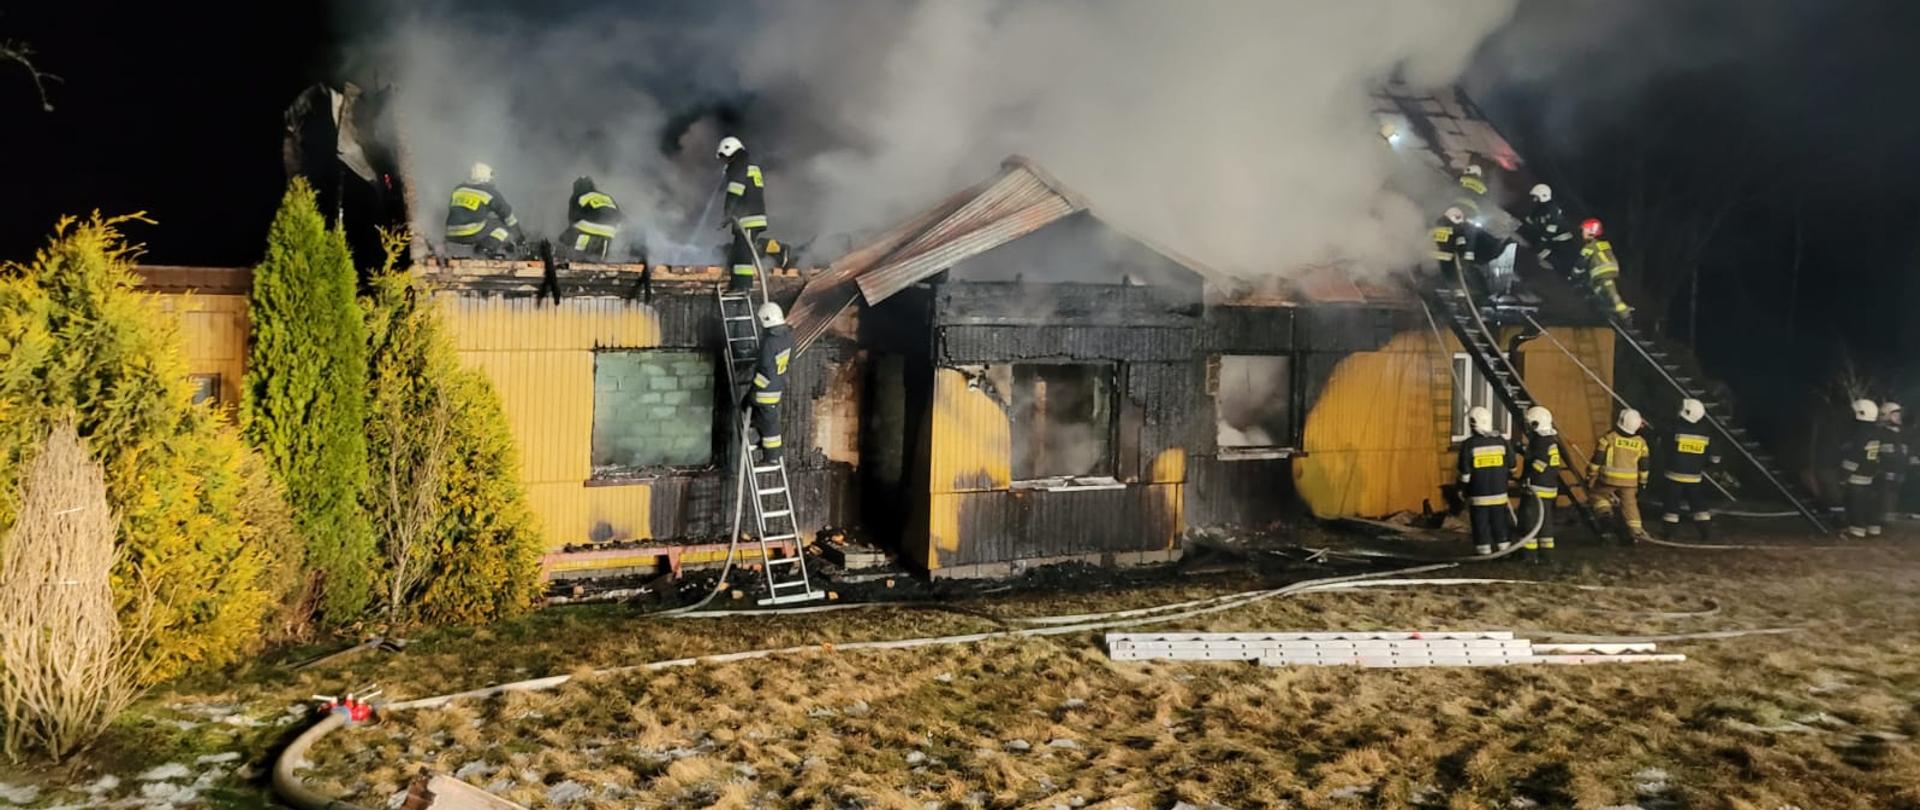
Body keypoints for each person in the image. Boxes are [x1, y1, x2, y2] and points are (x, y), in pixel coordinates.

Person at [1588, 408, 1652, 543]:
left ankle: (1606, 515)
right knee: (1630, 505)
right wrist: (1643, 482)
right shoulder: (1642, 443)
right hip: (1630, 482)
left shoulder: (1608, 438)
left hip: (1608, 479)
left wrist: (1591, 474)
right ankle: (1636, 532)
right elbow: (1644, 466)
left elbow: (1597, 459)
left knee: (1597, 495)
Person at [1458, 406, 1515, 556]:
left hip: (1478, 495)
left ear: (1472, 424)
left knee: (1480, 524)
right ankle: (1504, 549)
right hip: (1500, 493)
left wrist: (1461, 489)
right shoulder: (1502, 441)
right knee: (1500, 521)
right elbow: (1512, 465)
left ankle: (1484, 551)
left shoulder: (1469, 444)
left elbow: (1465, 472)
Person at [1660, 398, 1718, 541]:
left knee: (1671, 505)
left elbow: (1664, 448)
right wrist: (1703, 467)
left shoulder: (1674, 428)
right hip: (1695, 477)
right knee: (1698, 505)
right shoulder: (1705, 433)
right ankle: (1706, 532)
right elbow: (1715, 458)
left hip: (1673, 475)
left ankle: (1668, 533)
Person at [717, 136, 768, 292]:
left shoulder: (740, 166)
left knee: (743, 253)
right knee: (739, 251)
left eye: (725, 158)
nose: (725, 161)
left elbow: (735, 191)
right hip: (750, 217)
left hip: (748, 219)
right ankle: (738, 284)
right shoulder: (748, 164)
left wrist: (727, 214)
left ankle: (743, 286)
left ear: (730, 152)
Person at [444, 162, 522, 258]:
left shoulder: (458, 189)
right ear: (485, 178)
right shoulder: (489, 192)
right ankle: (485, 248)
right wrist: (519, 237)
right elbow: (507, 216)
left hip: (450, 234)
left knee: (485, 222)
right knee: (504, 225)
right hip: (470, 234)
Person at [748, 302, 793, 464]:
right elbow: (787, 359)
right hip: (777, 387)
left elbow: (765, 369)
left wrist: (755, 388)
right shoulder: (787, 337)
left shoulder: (769, 342)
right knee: (764, 419)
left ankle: (772, 456)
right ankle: (763, 444)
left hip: (765, 391)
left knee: (768, 423)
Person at [1518, 405, 1563, 563]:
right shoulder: (1550, 440)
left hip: (1537, 488)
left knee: (1530, 520)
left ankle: (1530, 556)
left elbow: (1539, 463)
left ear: (1536, 424)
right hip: (1549, 487)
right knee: (1545, 521)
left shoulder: (1540, 441)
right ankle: (1546, 554)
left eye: (1530, 423)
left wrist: (1527, 478)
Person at [1839, 399, 1884, 538]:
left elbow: (1855, 454)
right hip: (1870, 472)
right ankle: (1874, 527)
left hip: (1857, 473)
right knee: (1869, 501)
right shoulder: (1875, 431)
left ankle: (1856, 529)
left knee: (1855, 502)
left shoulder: (1860, 432)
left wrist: (1844, 474)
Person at [557, 176, 623, 261]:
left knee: (577, 236)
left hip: (590, 225)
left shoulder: (579, 195)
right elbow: (619, 214)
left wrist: (565, 236)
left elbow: (573, 217)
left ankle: (576, 256)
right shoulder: (606, 197)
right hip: (611, 228)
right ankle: (601, 259)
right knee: (603, 242)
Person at [1577, 218, 1632, 318]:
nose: (1582, 233)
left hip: (1601, 273)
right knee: (1604, 290)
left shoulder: (1588, 248)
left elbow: (1581, 263)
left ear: (1590, 231)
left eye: (1583, 230)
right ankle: (1608, 308)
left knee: (1612, 298)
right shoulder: (1605, 244)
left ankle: (1626, 319)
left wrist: (1574, 274)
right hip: (1613, 271)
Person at [1519, 183, 1577, 274]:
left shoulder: (1552, 210)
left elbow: (1549, 232)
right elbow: (1531, 220)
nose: (1534, 199)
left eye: (1536, 197)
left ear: (1542, 196)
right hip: (1551, 240)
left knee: (1554, 262)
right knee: (1538, 253)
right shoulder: (1541, 207)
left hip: (1562, 244)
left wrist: (1540, 243)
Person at [1882, 402, 1914, 528]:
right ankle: (1885, 518)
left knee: (1894, 493)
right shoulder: (1882, 433)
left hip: (1899, 470)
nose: (1898, 417)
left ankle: (1890, 516)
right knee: (1886, 493)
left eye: (1899, 414)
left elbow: (1906, 451)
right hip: (1885, 471)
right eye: (1895, 414)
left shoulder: (1902, 433)